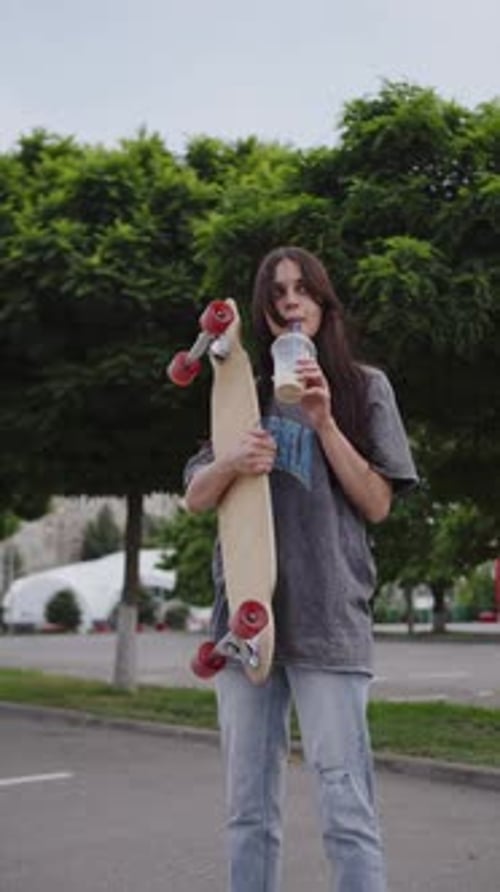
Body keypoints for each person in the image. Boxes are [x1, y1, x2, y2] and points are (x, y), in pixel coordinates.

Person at [184, 246, 418, 892]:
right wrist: (232, 462)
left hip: (327, 616)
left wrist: (322, 423)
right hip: (246, 621)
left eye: (302, 290)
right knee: (248, 811)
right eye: (277, 292)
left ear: (322, 303)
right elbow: (195, 497)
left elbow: (376, 505)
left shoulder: (364, 387)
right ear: (264, 312)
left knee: (346, 807)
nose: (291, 300)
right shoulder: (242, 393)